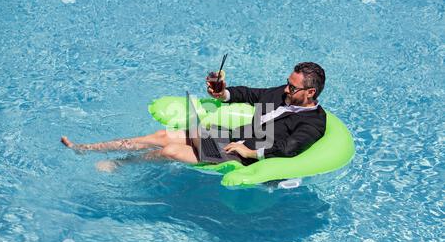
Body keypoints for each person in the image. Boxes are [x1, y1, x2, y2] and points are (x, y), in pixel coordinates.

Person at [61, 62, 327, 172]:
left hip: (239, 154)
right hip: (229, 138)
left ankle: (120, 164)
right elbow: (248, 94)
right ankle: (87, 149)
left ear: (310, 92)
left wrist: (249, 152)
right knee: (164, 137)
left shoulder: (313, 121)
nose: (285, 89)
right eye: (287, 83)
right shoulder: (280, 95)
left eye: (292, 87)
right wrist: (223, 93)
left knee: (175, 148)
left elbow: (289, 148)